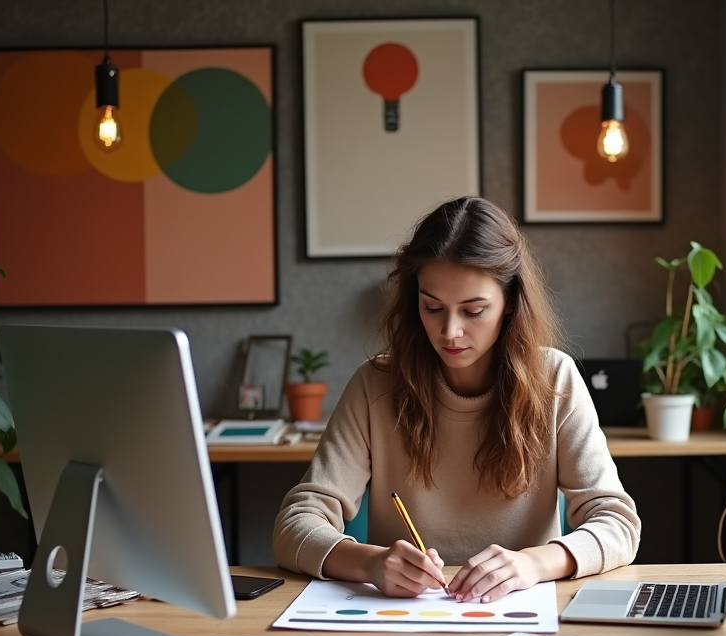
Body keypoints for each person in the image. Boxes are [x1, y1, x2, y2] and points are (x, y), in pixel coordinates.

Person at [273, 196, 640, 602]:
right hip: (401, 622)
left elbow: (618, 523)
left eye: (474, 311)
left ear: (510, 305)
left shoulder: (555, 379)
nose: (449, 331)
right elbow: (296, 523)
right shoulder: (375, 385)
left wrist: (534, 564)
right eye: (433, 307)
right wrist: (369, 563)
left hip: (521, 617)